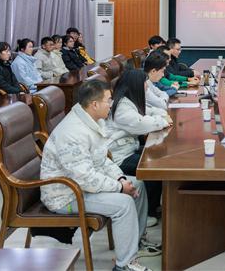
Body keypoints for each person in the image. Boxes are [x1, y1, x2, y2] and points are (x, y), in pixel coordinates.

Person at [41, 79, 159, 271]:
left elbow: (102, 159)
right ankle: (125, 265)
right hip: (65, 196)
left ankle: (136, 243)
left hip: (81, 187)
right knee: (124, 204)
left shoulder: (93, 121)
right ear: (94, 104)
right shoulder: (73, 133)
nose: (112, 104)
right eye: (109, 100)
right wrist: (119, 188)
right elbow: (85, 178)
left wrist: (121, 179)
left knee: (137, 184)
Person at [108, 69, 171, 220]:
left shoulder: (129, 100)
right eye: (144, 82)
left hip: (129, 148)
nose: (147, 86)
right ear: (136, 84)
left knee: (159, 154)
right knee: (154, 166)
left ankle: (153, 205)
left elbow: (149, 111)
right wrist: (163, 121)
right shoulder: (122, 107)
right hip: (119, 156)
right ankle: (148, 213)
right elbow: (142, 124)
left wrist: (163, 115)